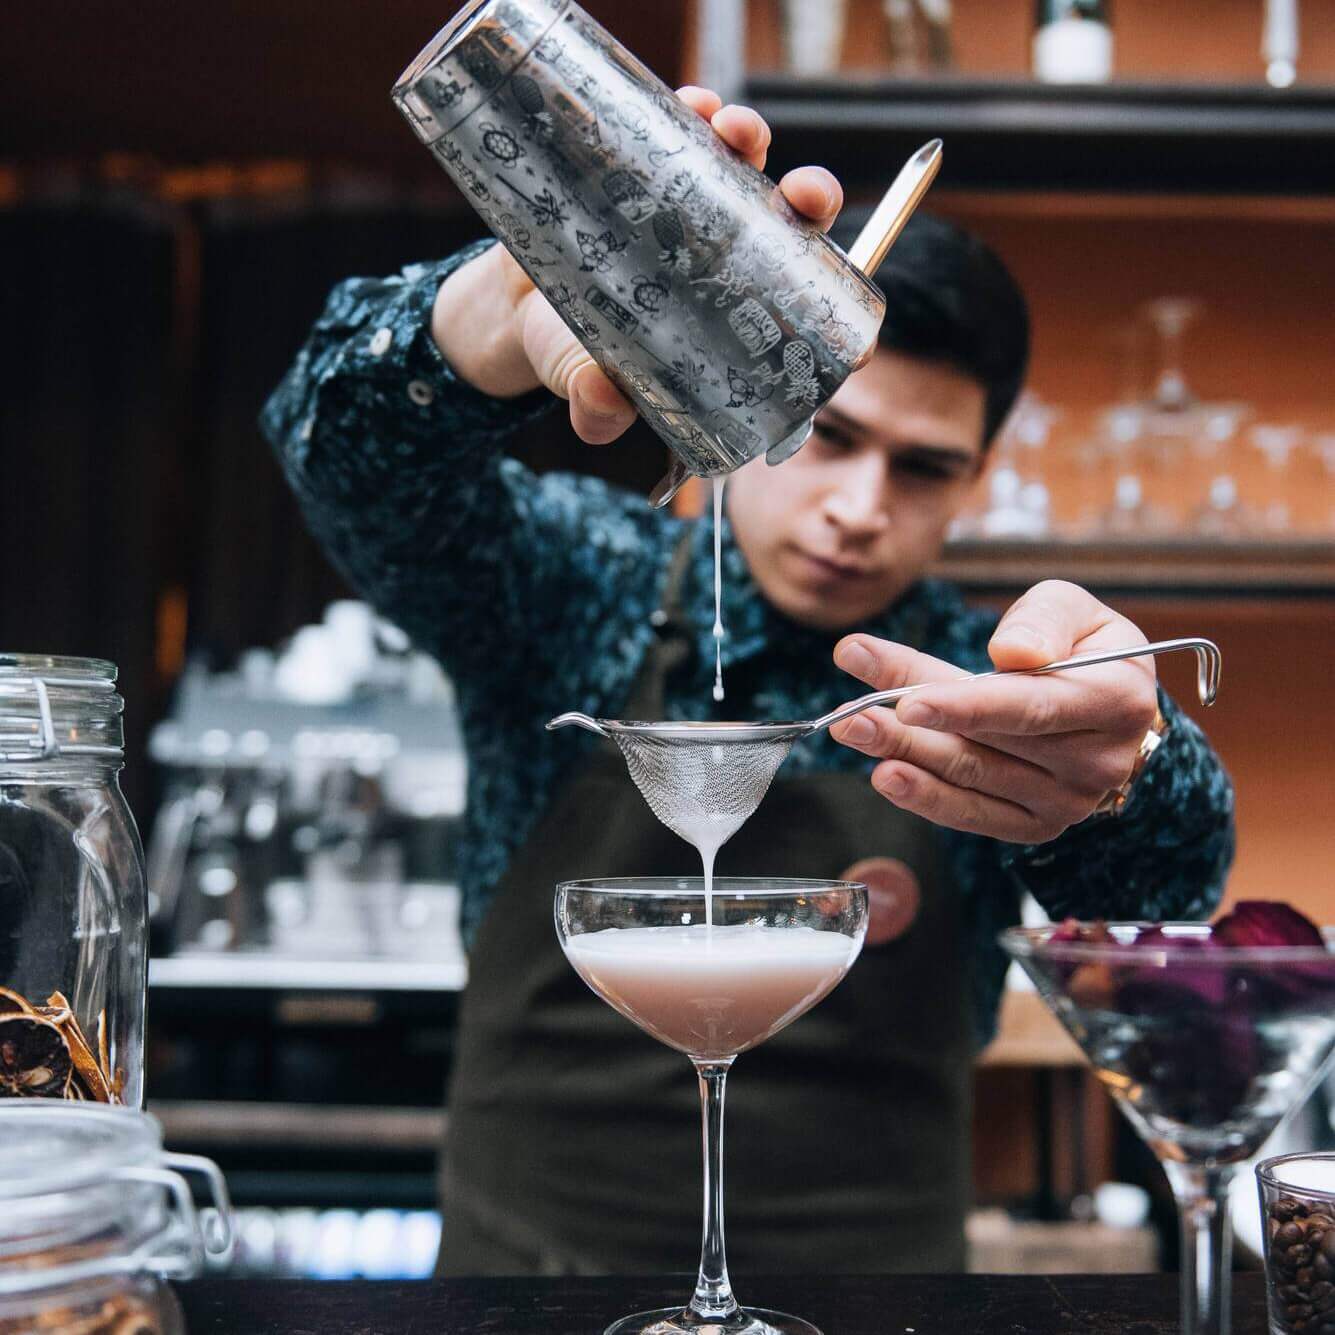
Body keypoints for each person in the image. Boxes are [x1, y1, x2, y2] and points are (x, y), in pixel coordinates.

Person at [261, 88, 1234, 1275]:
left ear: (976, 481)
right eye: (828, 433)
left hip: (880, 1300)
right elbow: (335, 456)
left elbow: (1171, 890)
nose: (858, 511)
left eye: (922, 470)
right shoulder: (574, 581)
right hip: (530, 1294)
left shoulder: (991, 679)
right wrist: (490, 313)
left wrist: (1135, 767)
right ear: (752, 388)